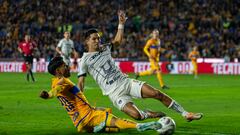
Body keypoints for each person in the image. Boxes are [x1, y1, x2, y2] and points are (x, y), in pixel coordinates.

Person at [77, 10, 203, 121]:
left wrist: (121, 24)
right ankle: (147, 114)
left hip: (126, 82)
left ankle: (186, 114)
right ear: (87, 41)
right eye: (94, 39)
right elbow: (81, 83)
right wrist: (81, 103)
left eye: (99, 38)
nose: (98, 41)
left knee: (157, 94)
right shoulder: (84, 60)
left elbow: (118, 41)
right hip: (115, 94)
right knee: (137, 116)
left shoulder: (105, 48)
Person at [39, 56, 168, 133]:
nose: (67, 67)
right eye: (64, 66)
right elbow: (55, 91)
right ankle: (139, 126)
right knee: (115, 120)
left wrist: (50, 94)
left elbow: (56, 90)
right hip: (88, 116)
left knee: (108, 116)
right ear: (58, 70)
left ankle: (100, 129)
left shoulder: (54, 82)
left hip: (79, 123)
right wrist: (48, 95)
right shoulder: (62, 81)